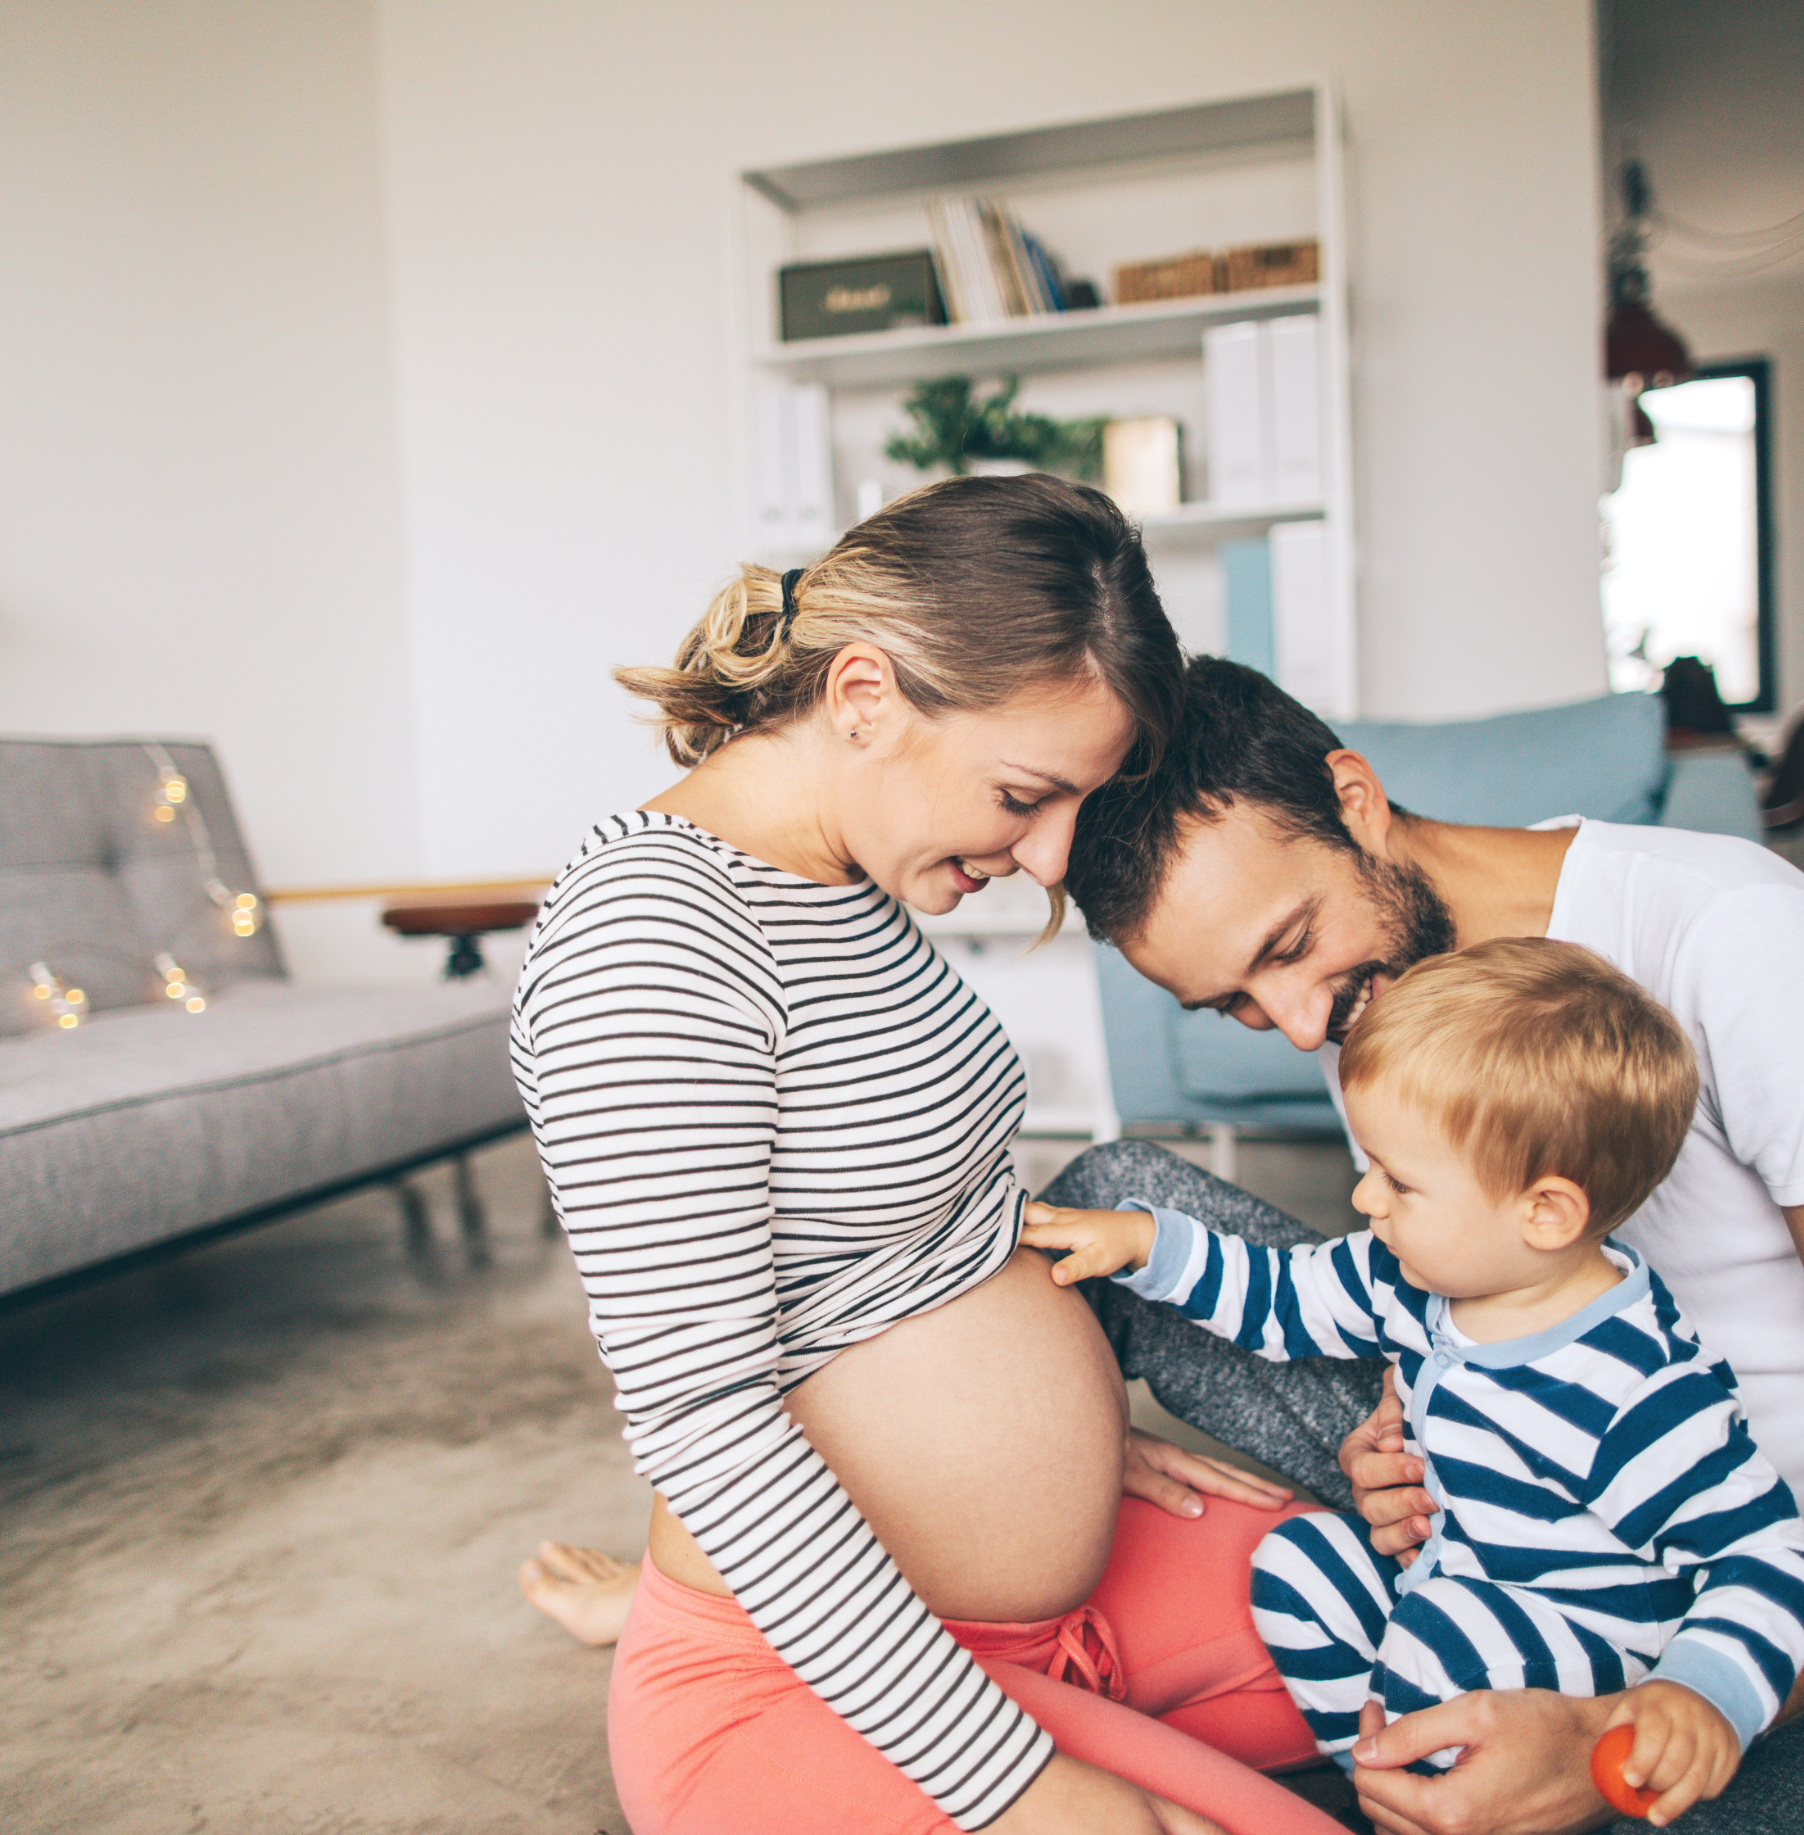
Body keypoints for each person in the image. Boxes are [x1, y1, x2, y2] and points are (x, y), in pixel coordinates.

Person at [1040, 656, 1804, 1835]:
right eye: (1237, 1004)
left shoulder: (1739, 941)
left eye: (1286, 945)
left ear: (1355, 799)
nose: (1299, 1022)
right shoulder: (1371, 978)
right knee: (1109, 1204)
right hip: (1524, 1538)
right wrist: (1396, 1409)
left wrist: (1626, 1729)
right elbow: (1455, 1276)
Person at [520, 475, 1342, 1835]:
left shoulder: (843, 873)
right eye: (1027, 794)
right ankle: (668, 1643)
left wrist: (1059, 1444)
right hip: (805, 1673)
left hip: (1038, 1596)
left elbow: (901, 1246)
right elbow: (703, 1418)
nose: (1052, 856)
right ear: (862, 698)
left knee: (1458, 1648)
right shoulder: (654, 944)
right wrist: (1024, 1785)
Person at [1024, 938, 1804, 1827]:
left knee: (1442, 1638)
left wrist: (1700, 1693)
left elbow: (1768, 1560)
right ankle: (1392, 1786)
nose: (1366, 1200)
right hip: (1450, 1580)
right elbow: (1280, 1295)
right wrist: (1146, 1245)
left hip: (1581, 1652)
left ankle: (1440, 1778)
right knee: (1297, 1566)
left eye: (1399, 1182)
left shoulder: (1632, 1388)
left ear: (1545, 1212)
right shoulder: (1413, 1276)